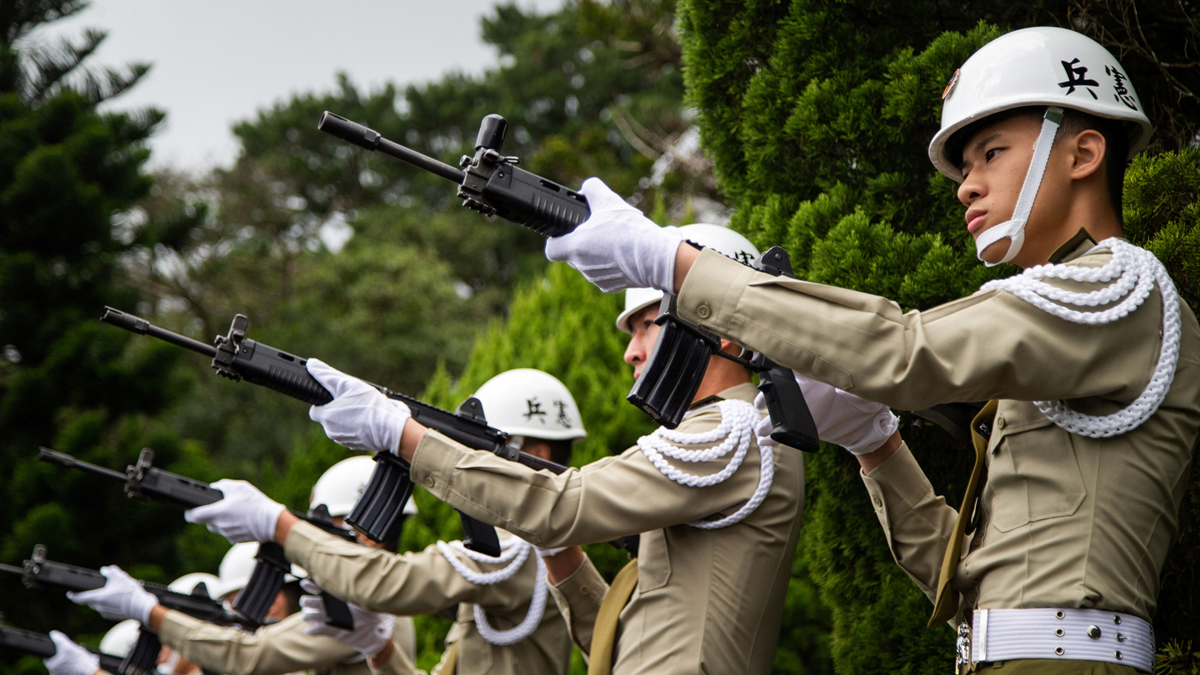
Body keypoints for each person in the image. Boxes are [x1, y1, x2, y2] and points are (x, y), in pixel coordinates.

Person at [541, 26, 1200, 675]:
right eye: (965, 167)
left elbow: (902, 348)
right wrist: (877, 446)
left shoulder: (1118, 289)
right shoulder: (1076, 320)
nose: (966, 185)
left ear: (1083, 153)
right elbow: (968, 585)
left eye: (991, 154)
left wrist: (673, 260)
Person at [293, 225, 872, 675]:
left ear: (719, 325)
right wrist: (561, 554)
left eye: (646, 325)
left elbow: (560, 505)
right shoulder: (720, 438)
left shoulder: (732, 431)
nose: (631, 351)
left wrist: (398, 434)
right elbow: (624, 646)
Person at [186, 371, 587, 674]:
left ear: (536, 453)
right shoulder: (509, 556)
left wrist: (279, 525)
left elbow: (396, 583)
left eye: (479, 449)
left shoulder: (517, 554)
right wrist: (380, 650)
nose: (465, 462)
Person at [66, 460, 419, 675]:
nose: (315, 539)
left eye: (328, 526)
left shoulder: (363, 604)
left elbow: (250, 654)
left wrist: (150, 613)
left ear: (367, 534)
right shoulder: (375, 599)